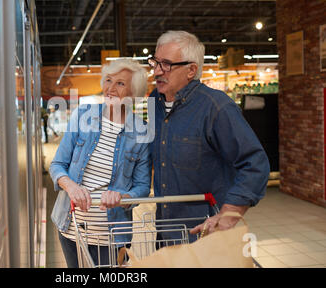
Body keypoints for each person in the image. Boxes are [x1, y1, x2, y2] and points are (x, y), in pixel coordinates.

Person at [147, 30, 270, 244]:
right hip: (166, 232)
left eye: (166, 64)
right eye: (155, 62)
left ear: (191, 70)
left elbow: (255, 164)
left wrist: (229, 214)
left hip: (205, 235)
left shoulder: (216, 107)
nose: (157, 71)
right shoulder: (154, 102)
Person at [49, 59, 152, 268]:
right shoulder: (83, 115)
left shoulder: (142, 132)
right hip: (72, 228)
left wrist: (123, 197)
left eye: (120, 84)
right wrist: (70, 186)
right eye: (108, 80)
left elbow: (142, 187)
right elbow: (57, 165)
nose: (110, 89)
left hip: (112, 236)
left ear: (134, 93)